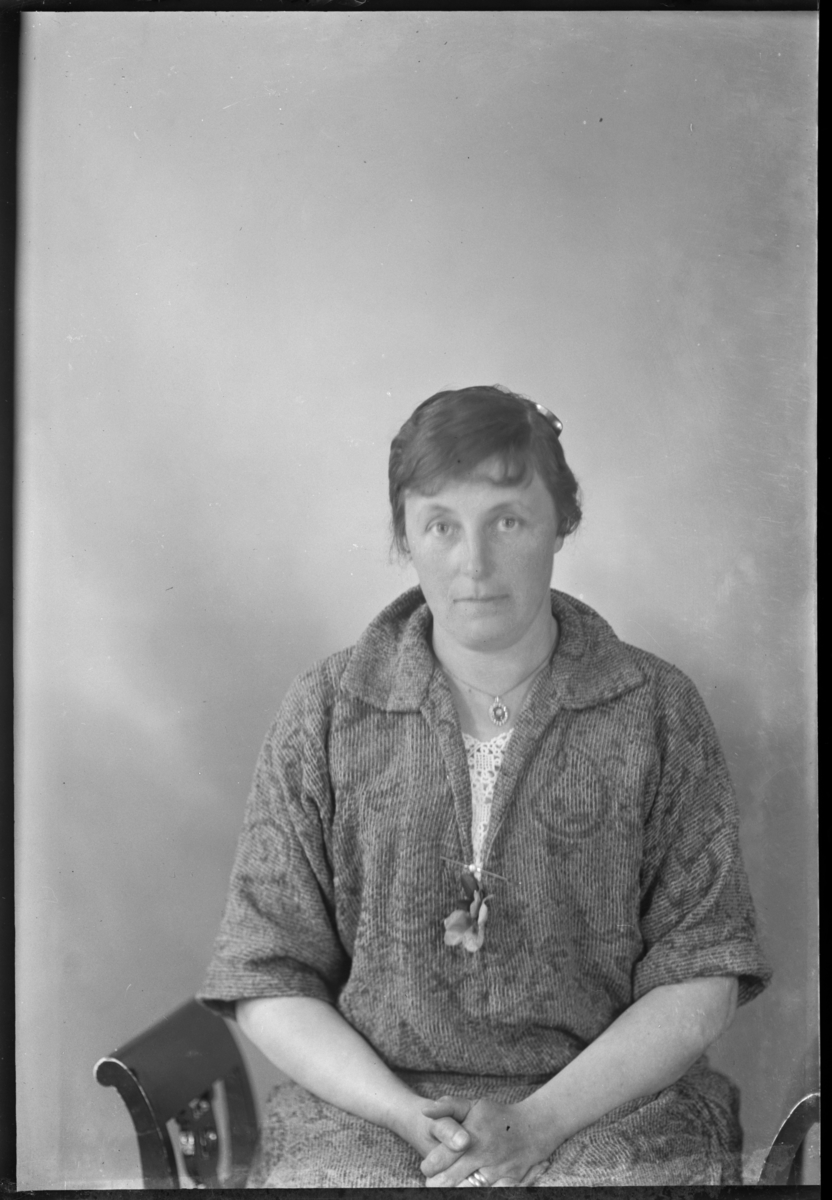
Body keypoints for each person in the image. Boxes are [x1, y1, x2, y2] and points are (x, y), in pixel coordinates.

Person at [199, 385, 770, 1187]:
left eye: (507, 521)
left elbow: (702, 973)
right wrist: (404, 1113)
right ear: (404, 533)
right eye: (441, 525)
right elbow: (268, 974)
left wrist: (539, 1123)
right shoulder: (325, 711)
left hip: (605, 1109)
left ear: (560, 523)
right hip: (373, 1110)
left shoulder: (656, 710)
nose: (474, 564)